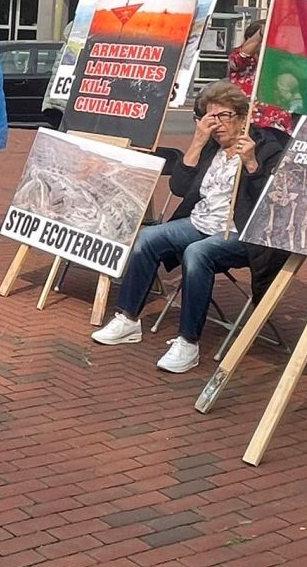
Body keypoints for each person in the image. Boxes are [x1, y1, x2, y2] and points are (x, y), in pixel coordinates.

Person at [91, 81, 290, 373]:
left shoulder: (267, 148)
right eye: (211, 118)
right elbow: (181, 187)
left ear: (242, 117)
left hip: (242, 232)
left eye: (225, 116)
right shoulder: (211, 147)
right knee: (147, 238)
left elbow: (278, 204)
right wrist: (197, 142)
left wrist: (251, 164)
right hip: (201, 222)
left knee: (197, 253)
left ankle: (188, 342)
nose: (217, 125)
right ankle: (128, 319)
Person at [227, 19, 294, 134]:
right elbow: (242, 56)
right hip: (249, 124)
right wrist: (262, 33)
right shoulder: (240, 61)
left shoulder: (280, 61)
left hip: (277, 125)